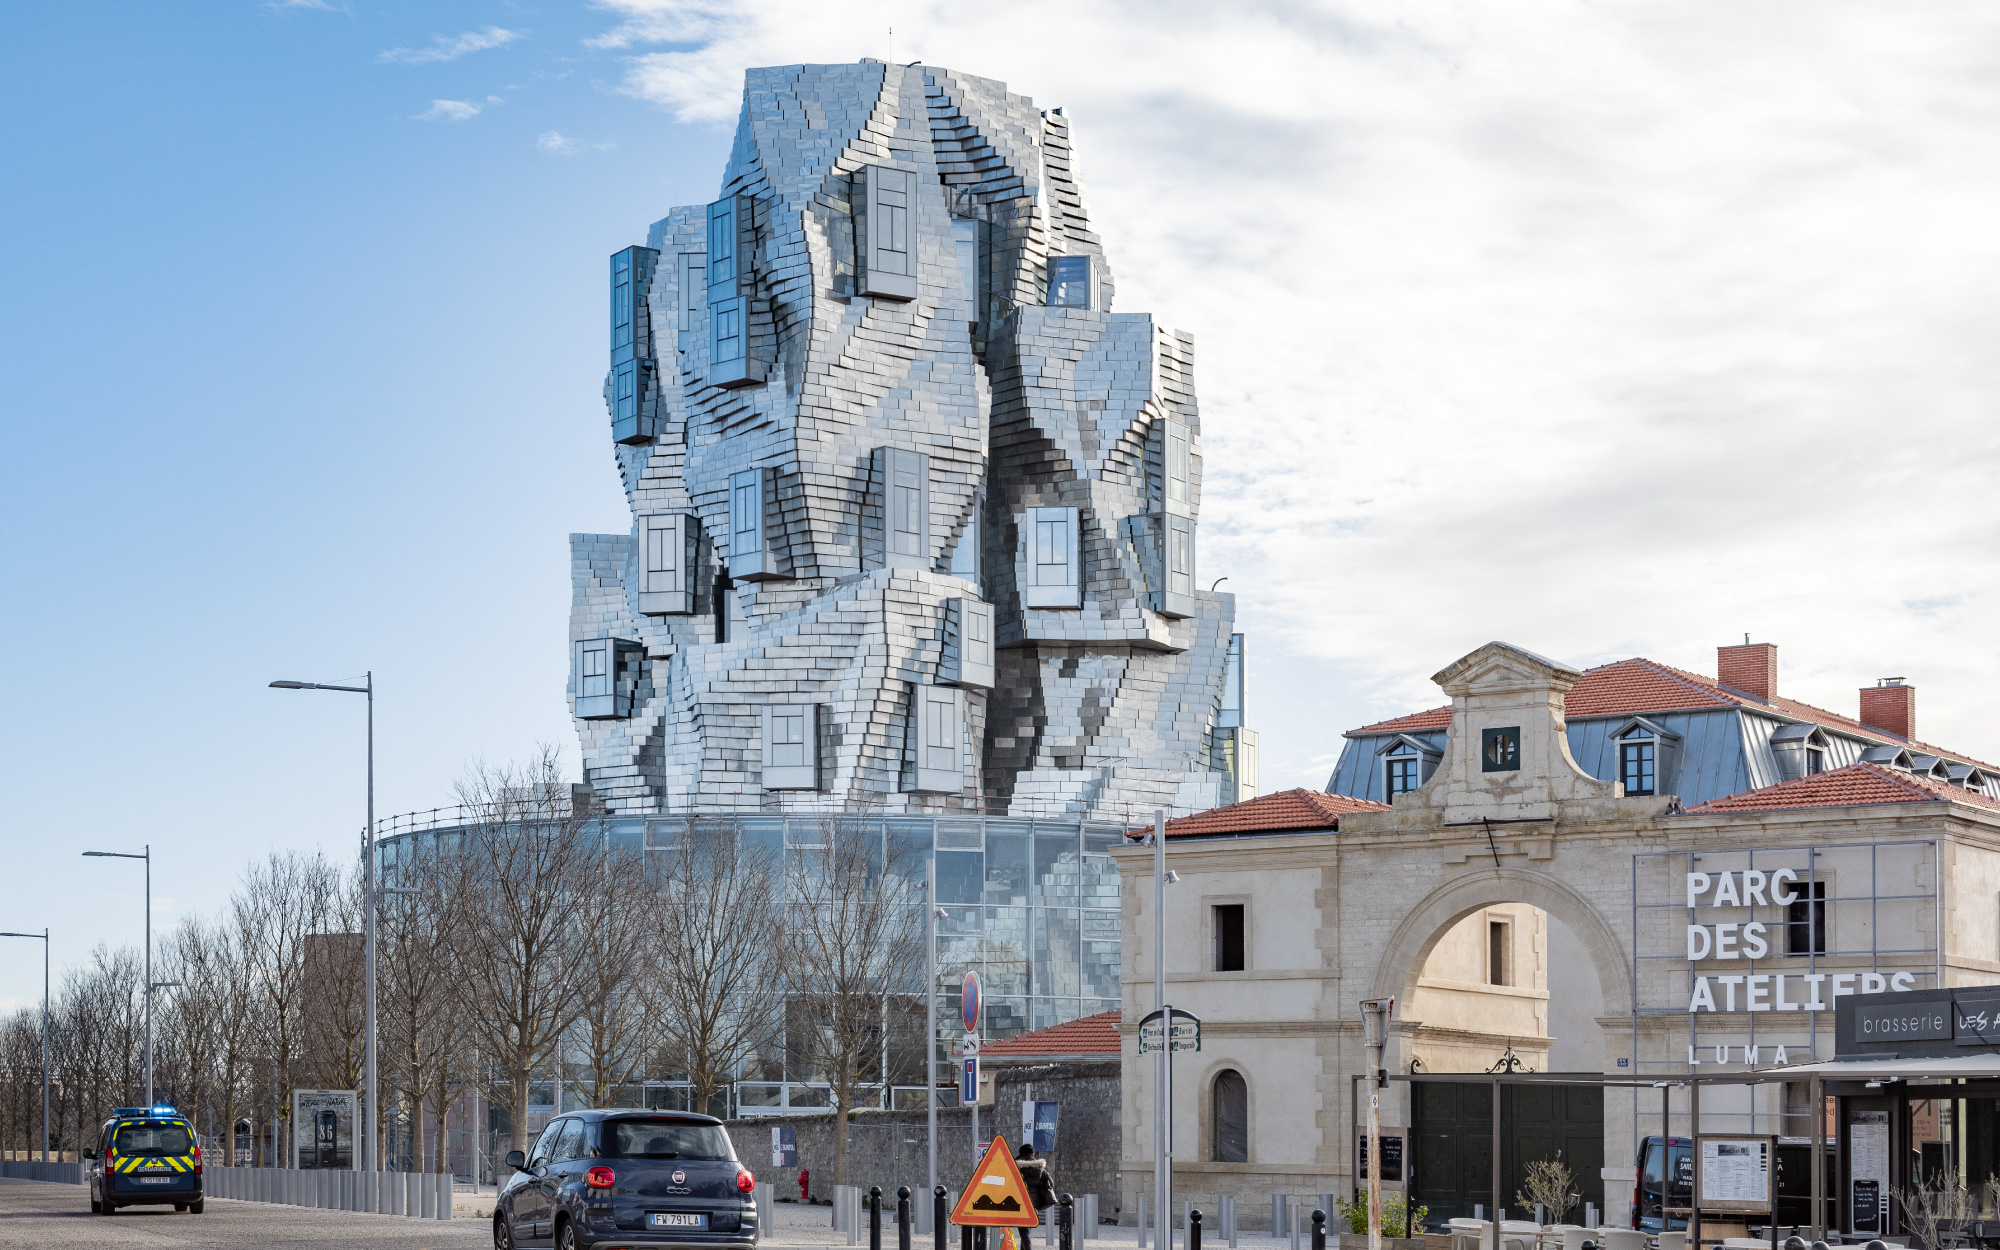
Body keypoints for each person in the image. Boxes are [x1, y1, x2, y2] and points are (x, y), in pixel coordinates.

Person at [1017, 1141, 1057, 1250]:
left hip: (1020, 1201)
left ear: (1021, 1153)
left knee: (1024, 1231)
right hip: (1034, 1202)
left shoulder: (1016, 1166)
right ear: (1032, 1153)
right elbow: (1051, 1184)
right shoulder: (1040, 1167)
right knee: (1026, 1229)